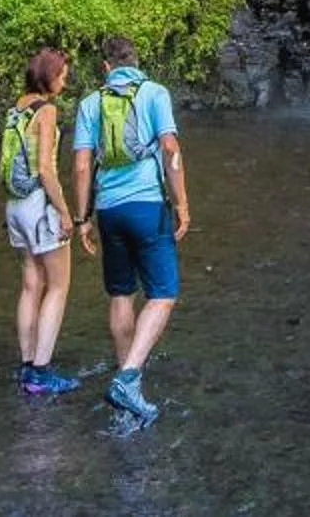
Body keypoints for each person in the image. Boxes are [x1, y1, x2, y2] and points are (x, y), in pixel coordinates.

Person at [68, 33, 190, 424]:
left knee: (121, 294)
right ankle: (129, 377)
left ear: (106, 67)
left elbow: (82, 166)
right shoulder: (155, 93)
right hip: (147, 205)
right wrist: (183, 204)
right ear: (136, 62)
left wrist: (82, 217)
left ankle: (127, 397)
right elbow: (170, 150)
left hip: (108, 210)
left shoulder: (90, 103)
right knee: (164, 293)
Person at [0, 47, 82, 395]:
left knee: (31, 284)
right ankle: (41, 372)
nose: (64, 82)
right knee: (59, 286)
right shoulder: (46, 112)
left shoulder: (18, 107)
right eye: (61, 75)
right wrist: (66, 213)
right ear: (48, 76)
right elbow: (46, 170)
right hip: (38, 206)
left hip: (15, 206)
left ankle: (26, 365)